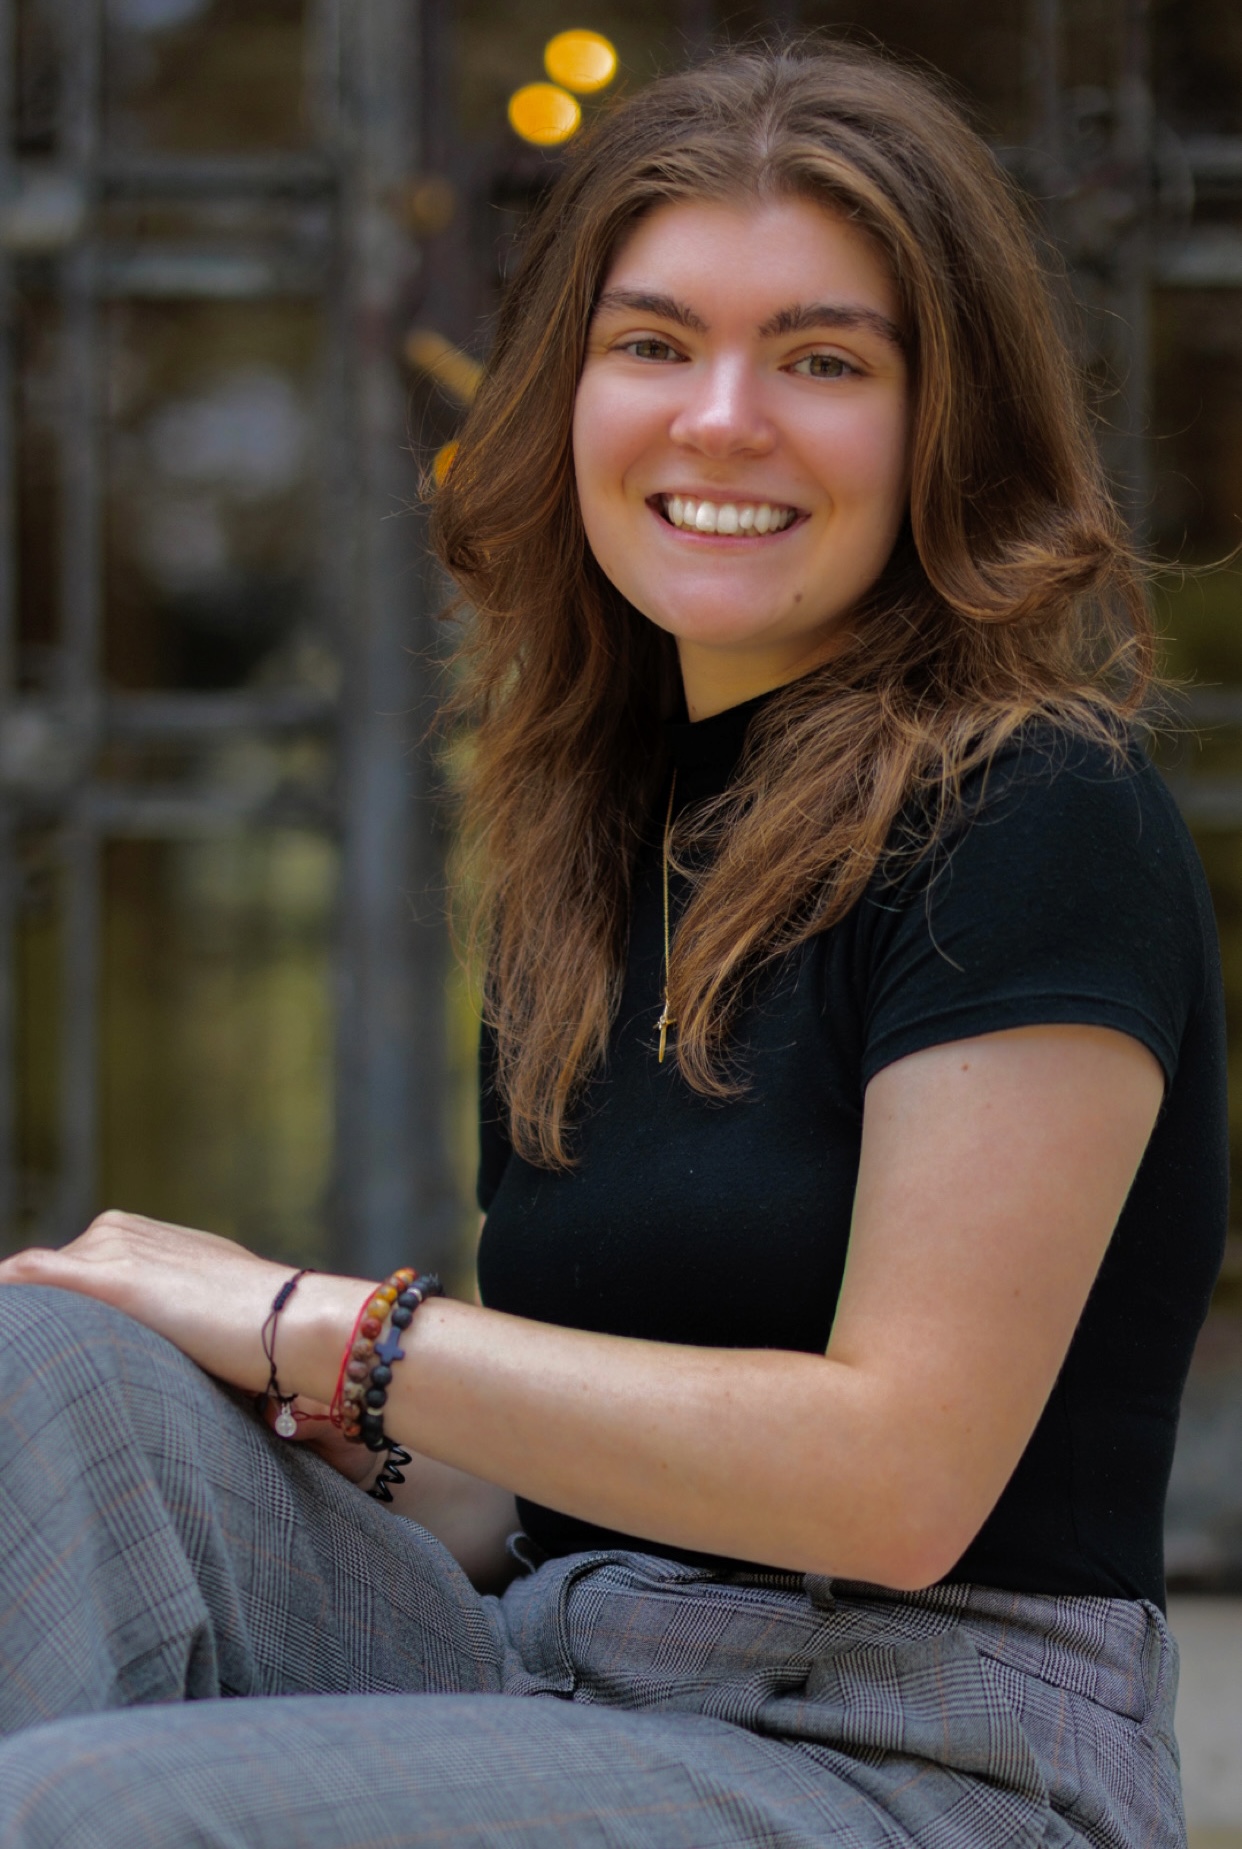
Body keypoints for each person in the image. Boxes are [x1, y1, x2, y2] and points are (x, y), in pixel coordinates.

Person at [0, 40, 1224, 1849]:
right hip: (559, 1671)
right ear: (568, 395)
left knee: (90, 1811)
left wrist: (328, 1329)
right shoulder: (611, 830)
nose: (719, 418)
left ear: (942, 423)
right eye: (652, 343)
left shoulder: (1033, 806)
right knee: (63, 1363)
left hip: (923, 1760)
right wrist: (376, 1444)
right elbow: (560, 1508)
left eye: (821, 360)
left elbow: (897, 1479)